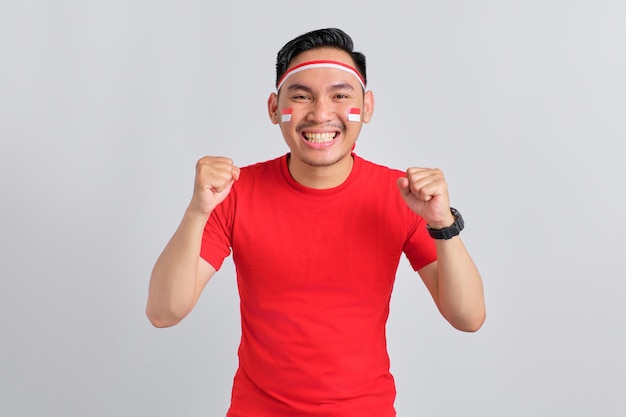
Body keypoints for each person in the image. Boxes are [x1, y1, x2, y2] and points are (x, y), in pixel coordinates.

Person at [146, 28, 486, 417]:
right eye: (301, 95)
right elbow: (163, 312)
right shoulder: (235, 193)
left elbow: (468, 317)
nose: (321, 113)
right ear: (274, 108)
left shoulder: (402, 194)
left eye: (340, 95)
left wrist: (442, 221)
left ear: (368, 106)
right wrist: (197, 211)